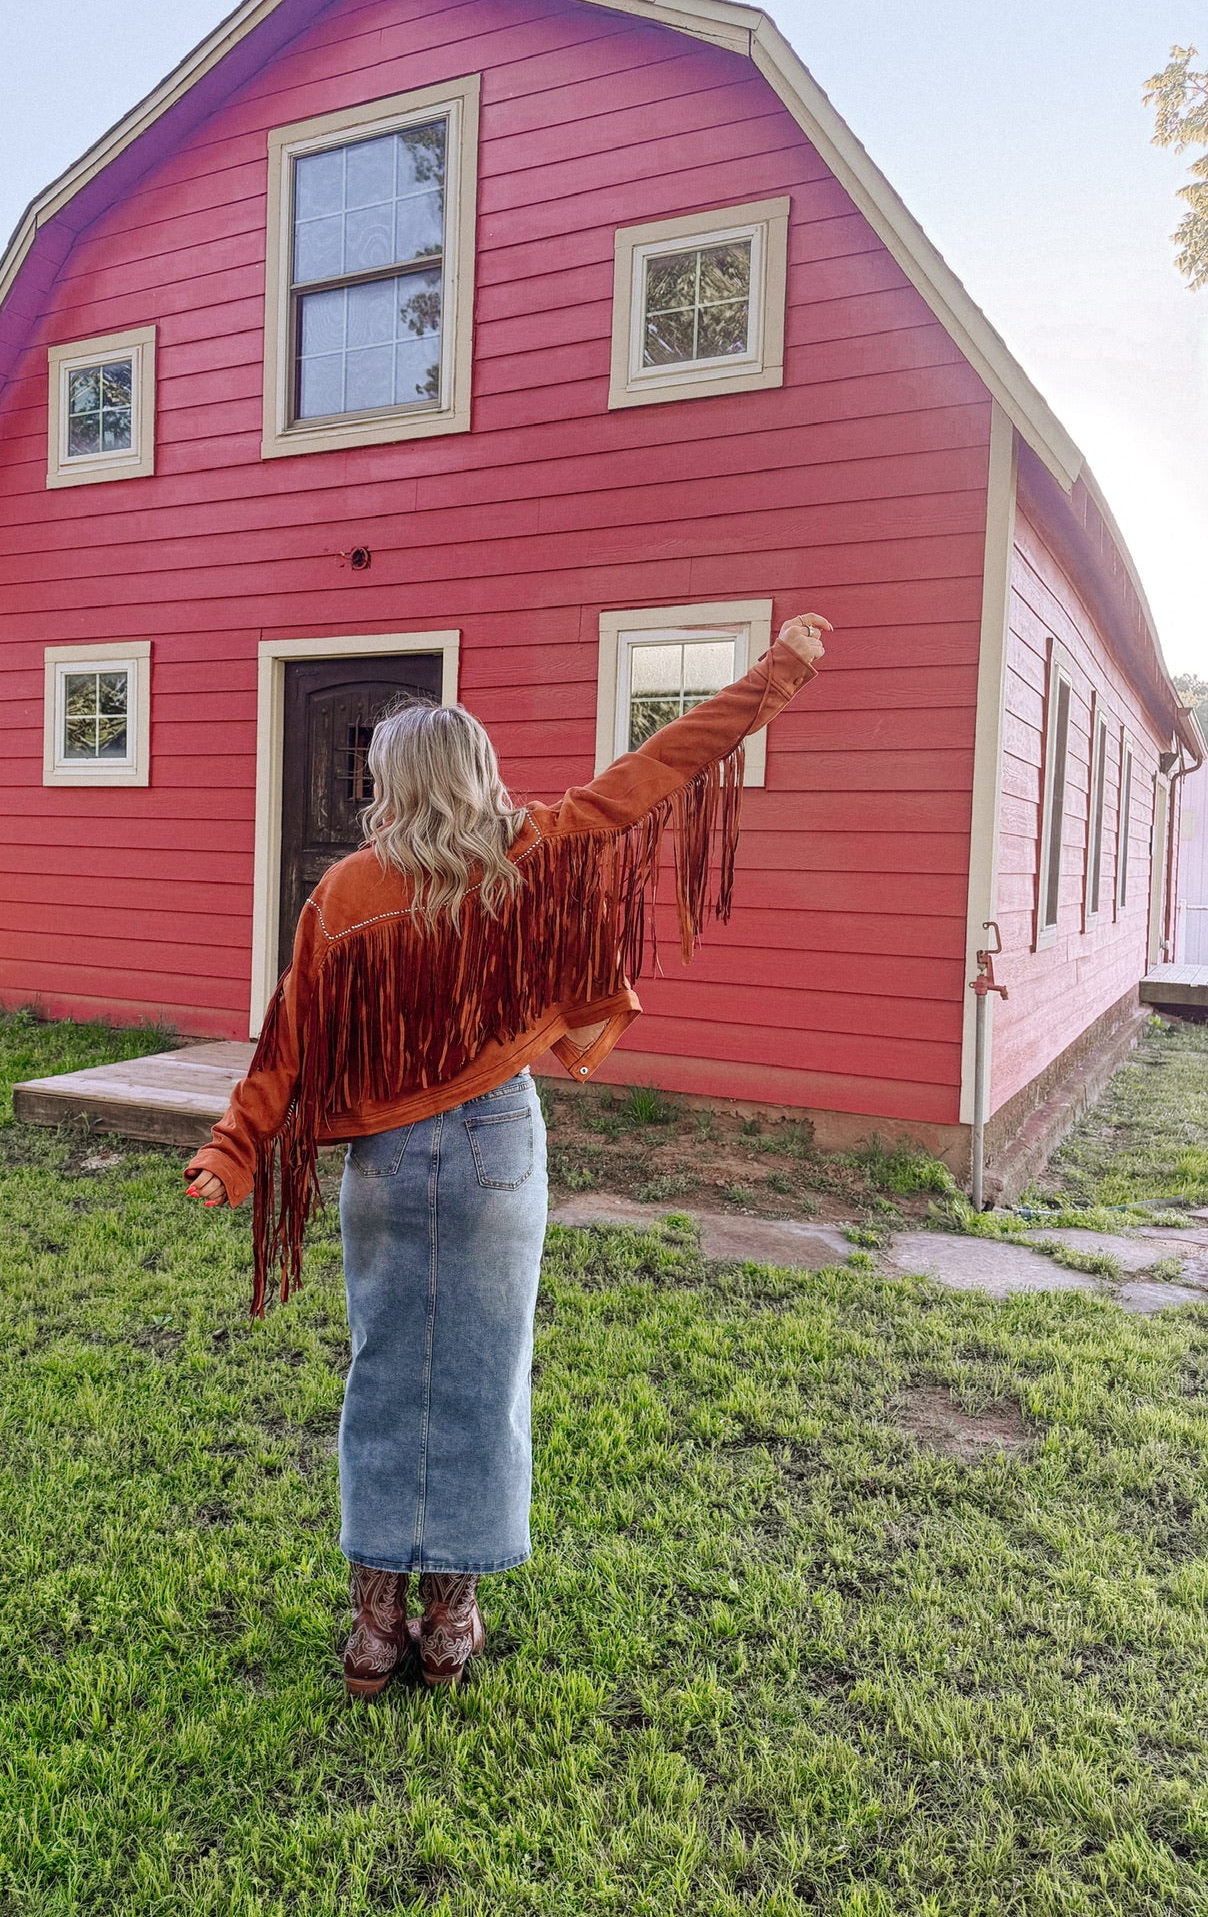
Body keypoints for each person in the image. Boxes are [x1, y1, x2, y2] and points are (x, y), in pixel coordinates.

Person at [185, 613, 830, 1696]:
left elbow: (288, 1037)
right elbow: (662, 766)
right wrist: (776, 674)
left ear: (392, 783)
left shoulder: (347, 895)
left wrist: (235, 1146)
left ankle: (375, 1625)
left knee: (384, 1371)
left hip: (388, 1159)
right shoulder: (538, 846)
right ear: (478, 772)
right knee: (486, 1375)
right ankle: (451, 1619)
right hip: (497, 1146)